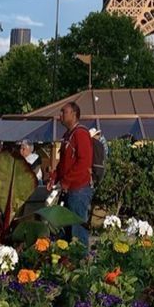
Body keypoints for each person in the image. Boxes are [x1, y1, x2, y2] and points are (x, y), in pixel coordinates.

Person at [48, 102, 93, 249]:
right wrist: (54, 177)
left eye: (64, 112)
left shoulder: (80, 134)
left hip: (78, 189)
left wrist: (66, 181)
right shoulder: (68, 136)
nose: (60, 115)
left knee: (77, 230)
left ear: (74, 114)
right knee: (66, 230)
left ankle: (81, 264)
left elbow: (84, 162)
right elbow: (63, 163)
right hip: (68, 189)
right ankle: (69, 264)